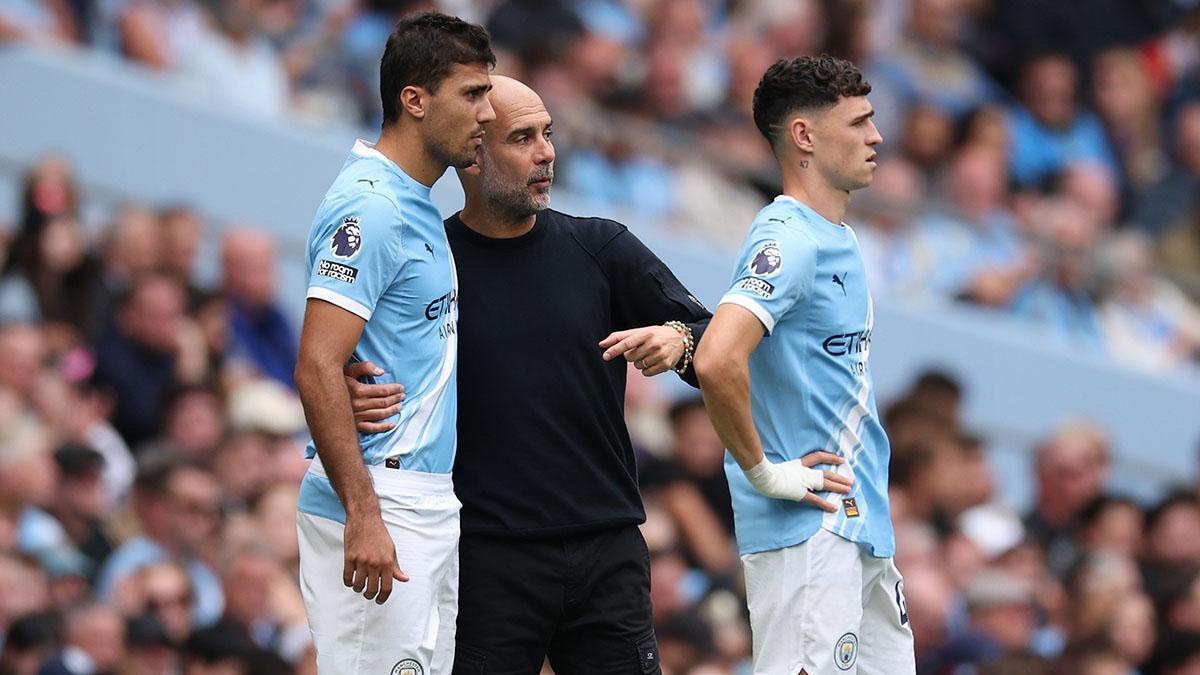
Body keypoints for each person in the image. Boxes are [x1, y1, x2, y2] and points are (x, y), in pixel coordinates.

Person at [348, 75, 710, 674]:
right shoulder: (426, 260)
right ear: (472, 154)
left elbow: (714, 336)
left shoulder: (601, 247)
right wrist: (350, 390)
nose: (546, 153)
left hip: (607, 550)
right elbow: (343, 365)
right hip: (484, 558)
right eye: (523, 138)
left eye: (548, 134)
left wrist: (680, 338)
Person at [693, 55, 915, 674]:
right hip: (808, 531)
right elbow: (717, 358)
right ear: (804, 136)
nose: (877, 136)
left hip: (860, 524)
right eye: (859, 123)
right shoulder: (788, 239)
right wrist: (764, 473)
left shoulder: (835, 236)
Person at [291, 11, 495, 674]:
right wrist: (363, 512)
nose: (487, 113)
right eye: (472, 93)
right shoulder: (371, 206)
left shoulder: (415, 201)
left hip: (423, 497)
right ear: (415, 99)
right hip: (381, 494)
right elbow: (317, 363)